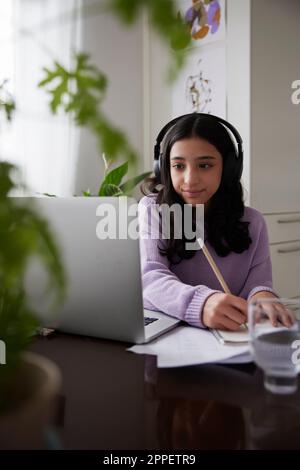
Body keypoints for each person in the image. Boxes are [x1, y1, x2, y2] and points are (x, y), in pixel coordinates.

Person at [139, 113, 292, 331]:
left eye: (204, 165)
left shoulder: (254, 222)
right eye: (179, 166)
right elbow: (151, 279)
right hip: (173, 338)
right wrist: (200, 304)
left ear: (229, 169)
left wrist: (262, 295)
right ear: (165, 168)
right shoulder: (154, 210)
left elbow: (259, 284)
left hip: (231, 339)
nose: (190, 179)